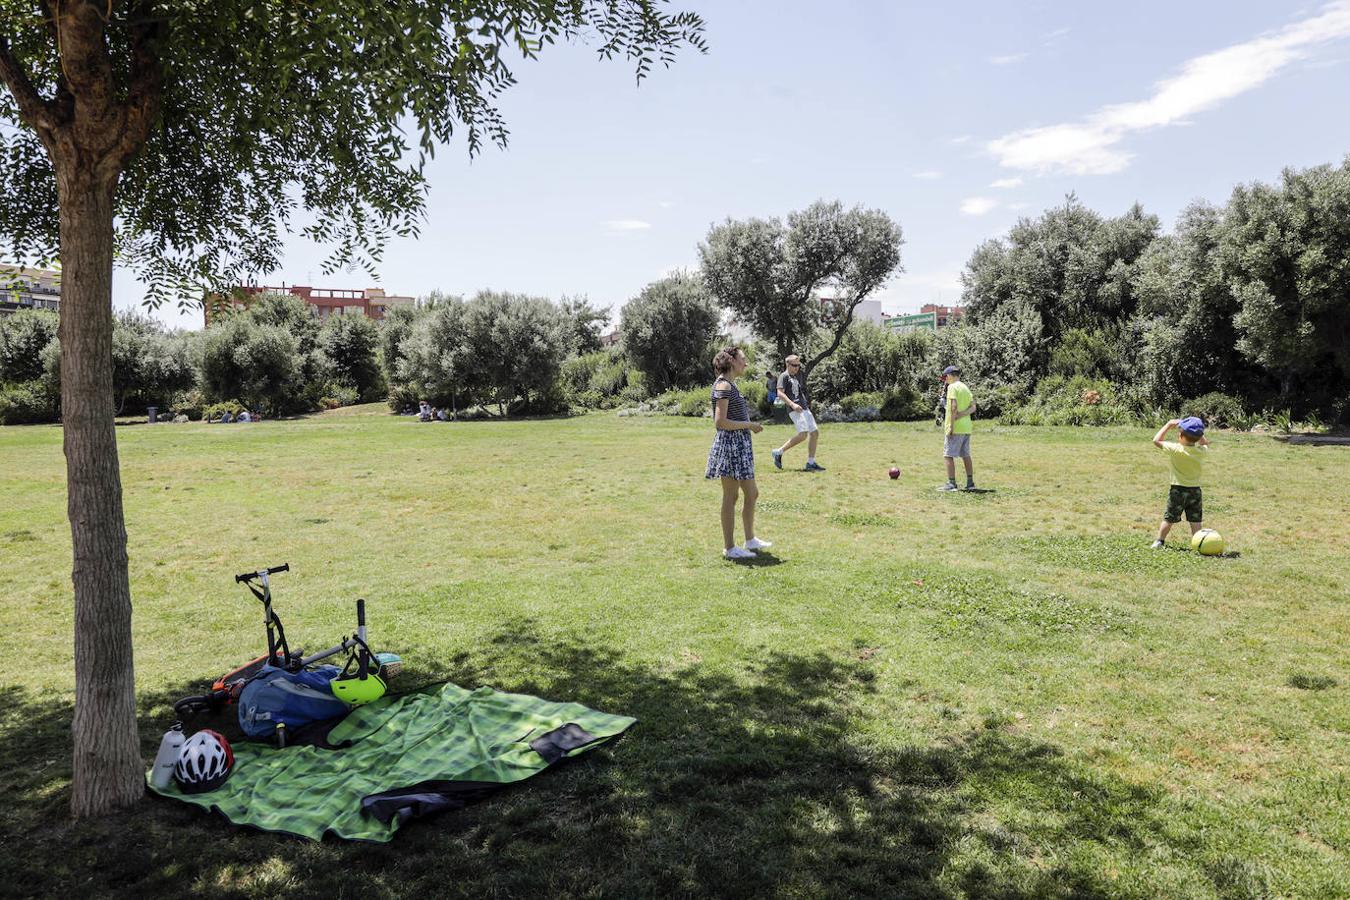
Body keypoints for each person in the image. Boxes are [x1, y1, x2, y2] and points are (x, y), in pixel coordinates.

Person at [705, 346, 771, 560]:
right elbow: (720, 422)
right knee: (731, 496)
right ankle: (730, 548)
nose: (746, 362)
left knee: (752, 494)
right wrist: (748, 425)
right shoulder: (723, 385)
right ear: (732, 360)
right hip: (731, 446)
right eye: (743, 358)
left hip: (739, 446)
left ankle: (750, 539)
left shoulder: (729, 384)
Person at [1151, 416, 1211, 549]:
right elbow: (1204, 443)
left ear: (1181, 436)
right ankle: (1199, 544)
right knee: (1195, 520)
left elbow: (1156, 440)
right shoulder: (1201, 451)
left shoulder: (1175, 449)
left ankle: (1160, 541)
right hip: (1195, 490)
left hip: (1177, 490)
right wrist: (1199, 432)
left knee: (1169, 517)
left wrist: (1167, 425)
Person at [770, 354, 824, 472]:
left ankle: (810, 463)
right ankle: (778, 452)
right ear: (787, 364)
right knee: (803, 434)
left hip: (804, 408)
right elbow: (780, 393)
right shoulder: (783, 376)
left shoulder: (795, 377)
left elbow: (798, 393)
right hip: (795, 410)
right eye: (794, 365)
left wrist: (806, 404)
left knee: (814, 433)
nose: (797, 368)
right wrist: (792, 404)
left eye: (798, 365)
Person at [940, 365, 976, 491]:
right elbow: (973, 408)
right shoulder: (965, 387)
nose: (945, 380)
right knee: (966, 455)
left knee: (948, 455)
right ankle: (970, 483)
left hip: (956, 428)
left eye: (946, 377)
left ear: (950, 375)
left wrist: (951, 427)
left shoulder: (952, 387)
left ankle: (951, 484)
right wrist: (961, 415)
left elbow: (954, 407)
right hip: (967, 428)